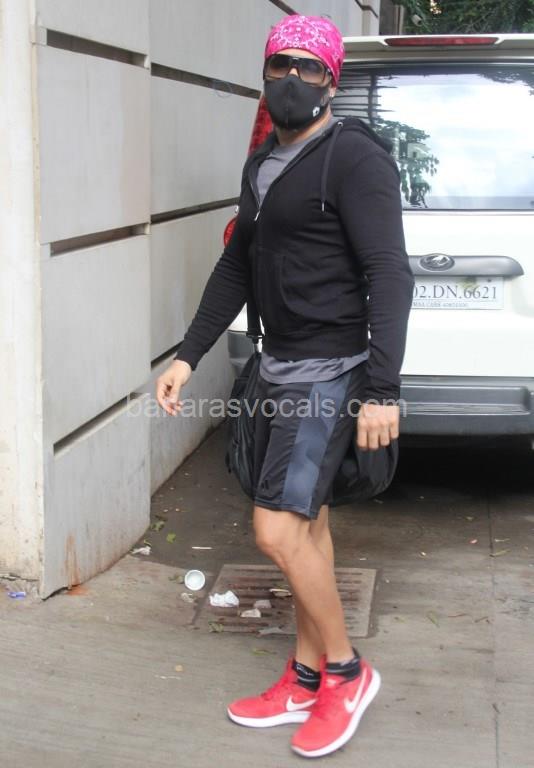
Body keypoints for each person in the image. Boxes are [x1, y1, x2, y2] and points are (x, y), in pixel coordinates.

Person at [156, 14, 414, 759]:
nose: (292, 79)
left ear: (331, 80)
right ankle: (304, 677)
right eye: (280, 66)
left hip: (328, 375)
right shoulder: (265, 161)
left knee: (275, 532)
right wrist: (188, 354)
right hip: (276, 366)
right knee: (309, 529)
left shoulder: (354, 158)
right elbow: (237, 264)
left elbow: (390, 274)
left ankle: (347, 674)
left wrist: (382, 389)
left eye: (309, 67)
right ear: (266, 74)